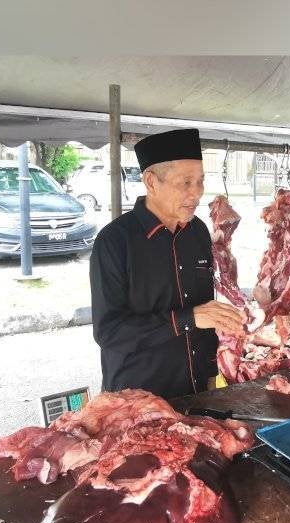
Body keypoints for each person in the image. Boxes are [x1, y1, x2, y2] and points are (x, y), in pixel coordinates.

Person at [89, 128, 244, 399]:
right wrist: (188, 318)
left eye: (200, 181)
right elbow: (110, 333)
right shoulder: (115, 240)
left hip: (196, 391)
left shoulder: (196, 232)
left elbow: (205, 314)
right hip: (139, 397)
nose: (196, 194)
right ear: (151, 181)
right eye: (185, 183)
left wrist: (210, 376)